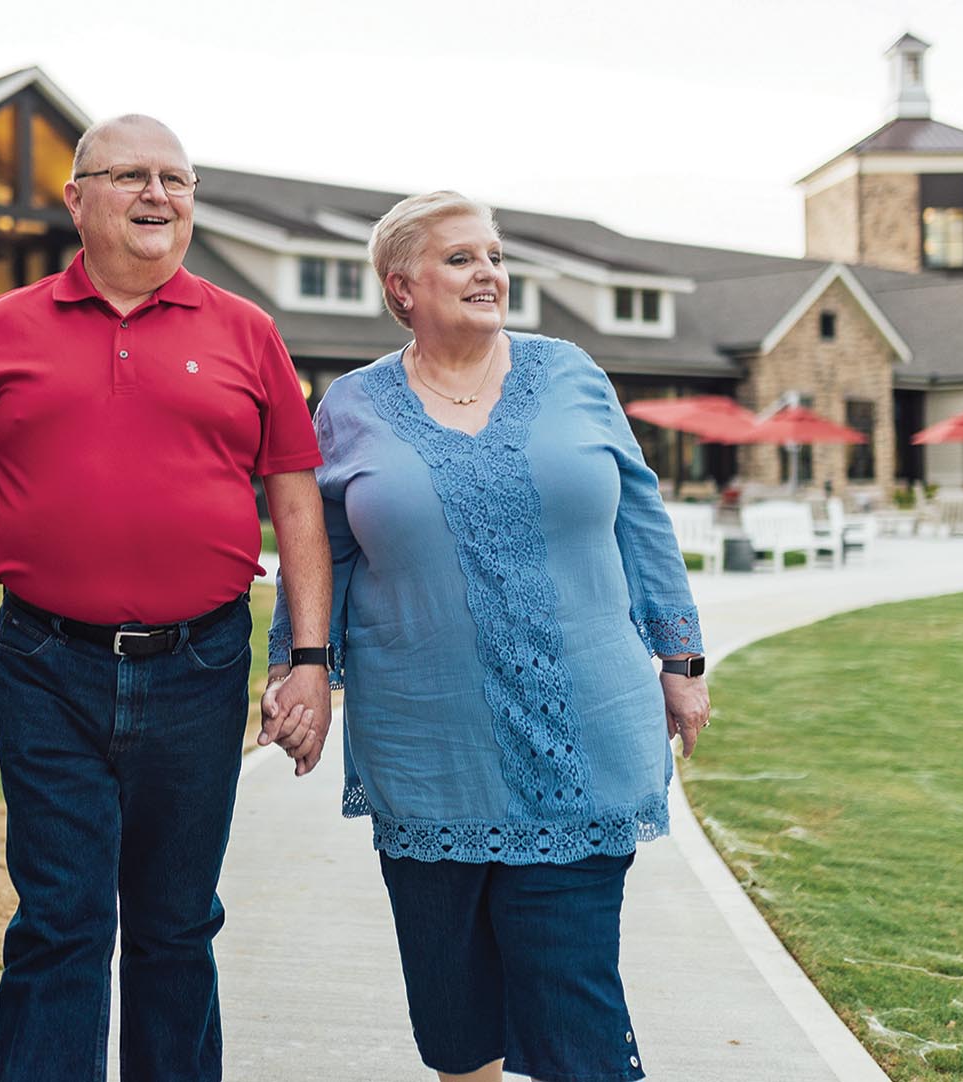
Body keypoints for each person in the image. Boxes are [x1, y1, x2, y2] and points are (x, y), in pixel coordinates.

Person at [0, 115, 334, 1082]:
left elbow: (298, 507)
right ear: (77, 199)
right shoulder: (4, 326)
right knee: (60, 922)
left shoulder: (247, 330)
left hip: (200, 667)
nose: (158, 195)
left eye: (176, 180)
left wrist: (307, 660)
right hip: (45, 666)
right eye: (132, 176)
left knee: (176, 927)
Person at [266, 191, 710, 1082]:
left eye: (495, 256)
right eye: (462, 258)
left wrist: (681, 658)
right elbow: (322, 552)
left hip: (583, 737)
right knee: (458, 1024)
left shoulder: (572, 372)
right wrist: (300, 665)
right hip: (428, 750)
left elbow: (642, 515)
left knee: (573, 1013)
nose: (490, 274)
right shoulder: (351, 406)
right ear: (402, 288)